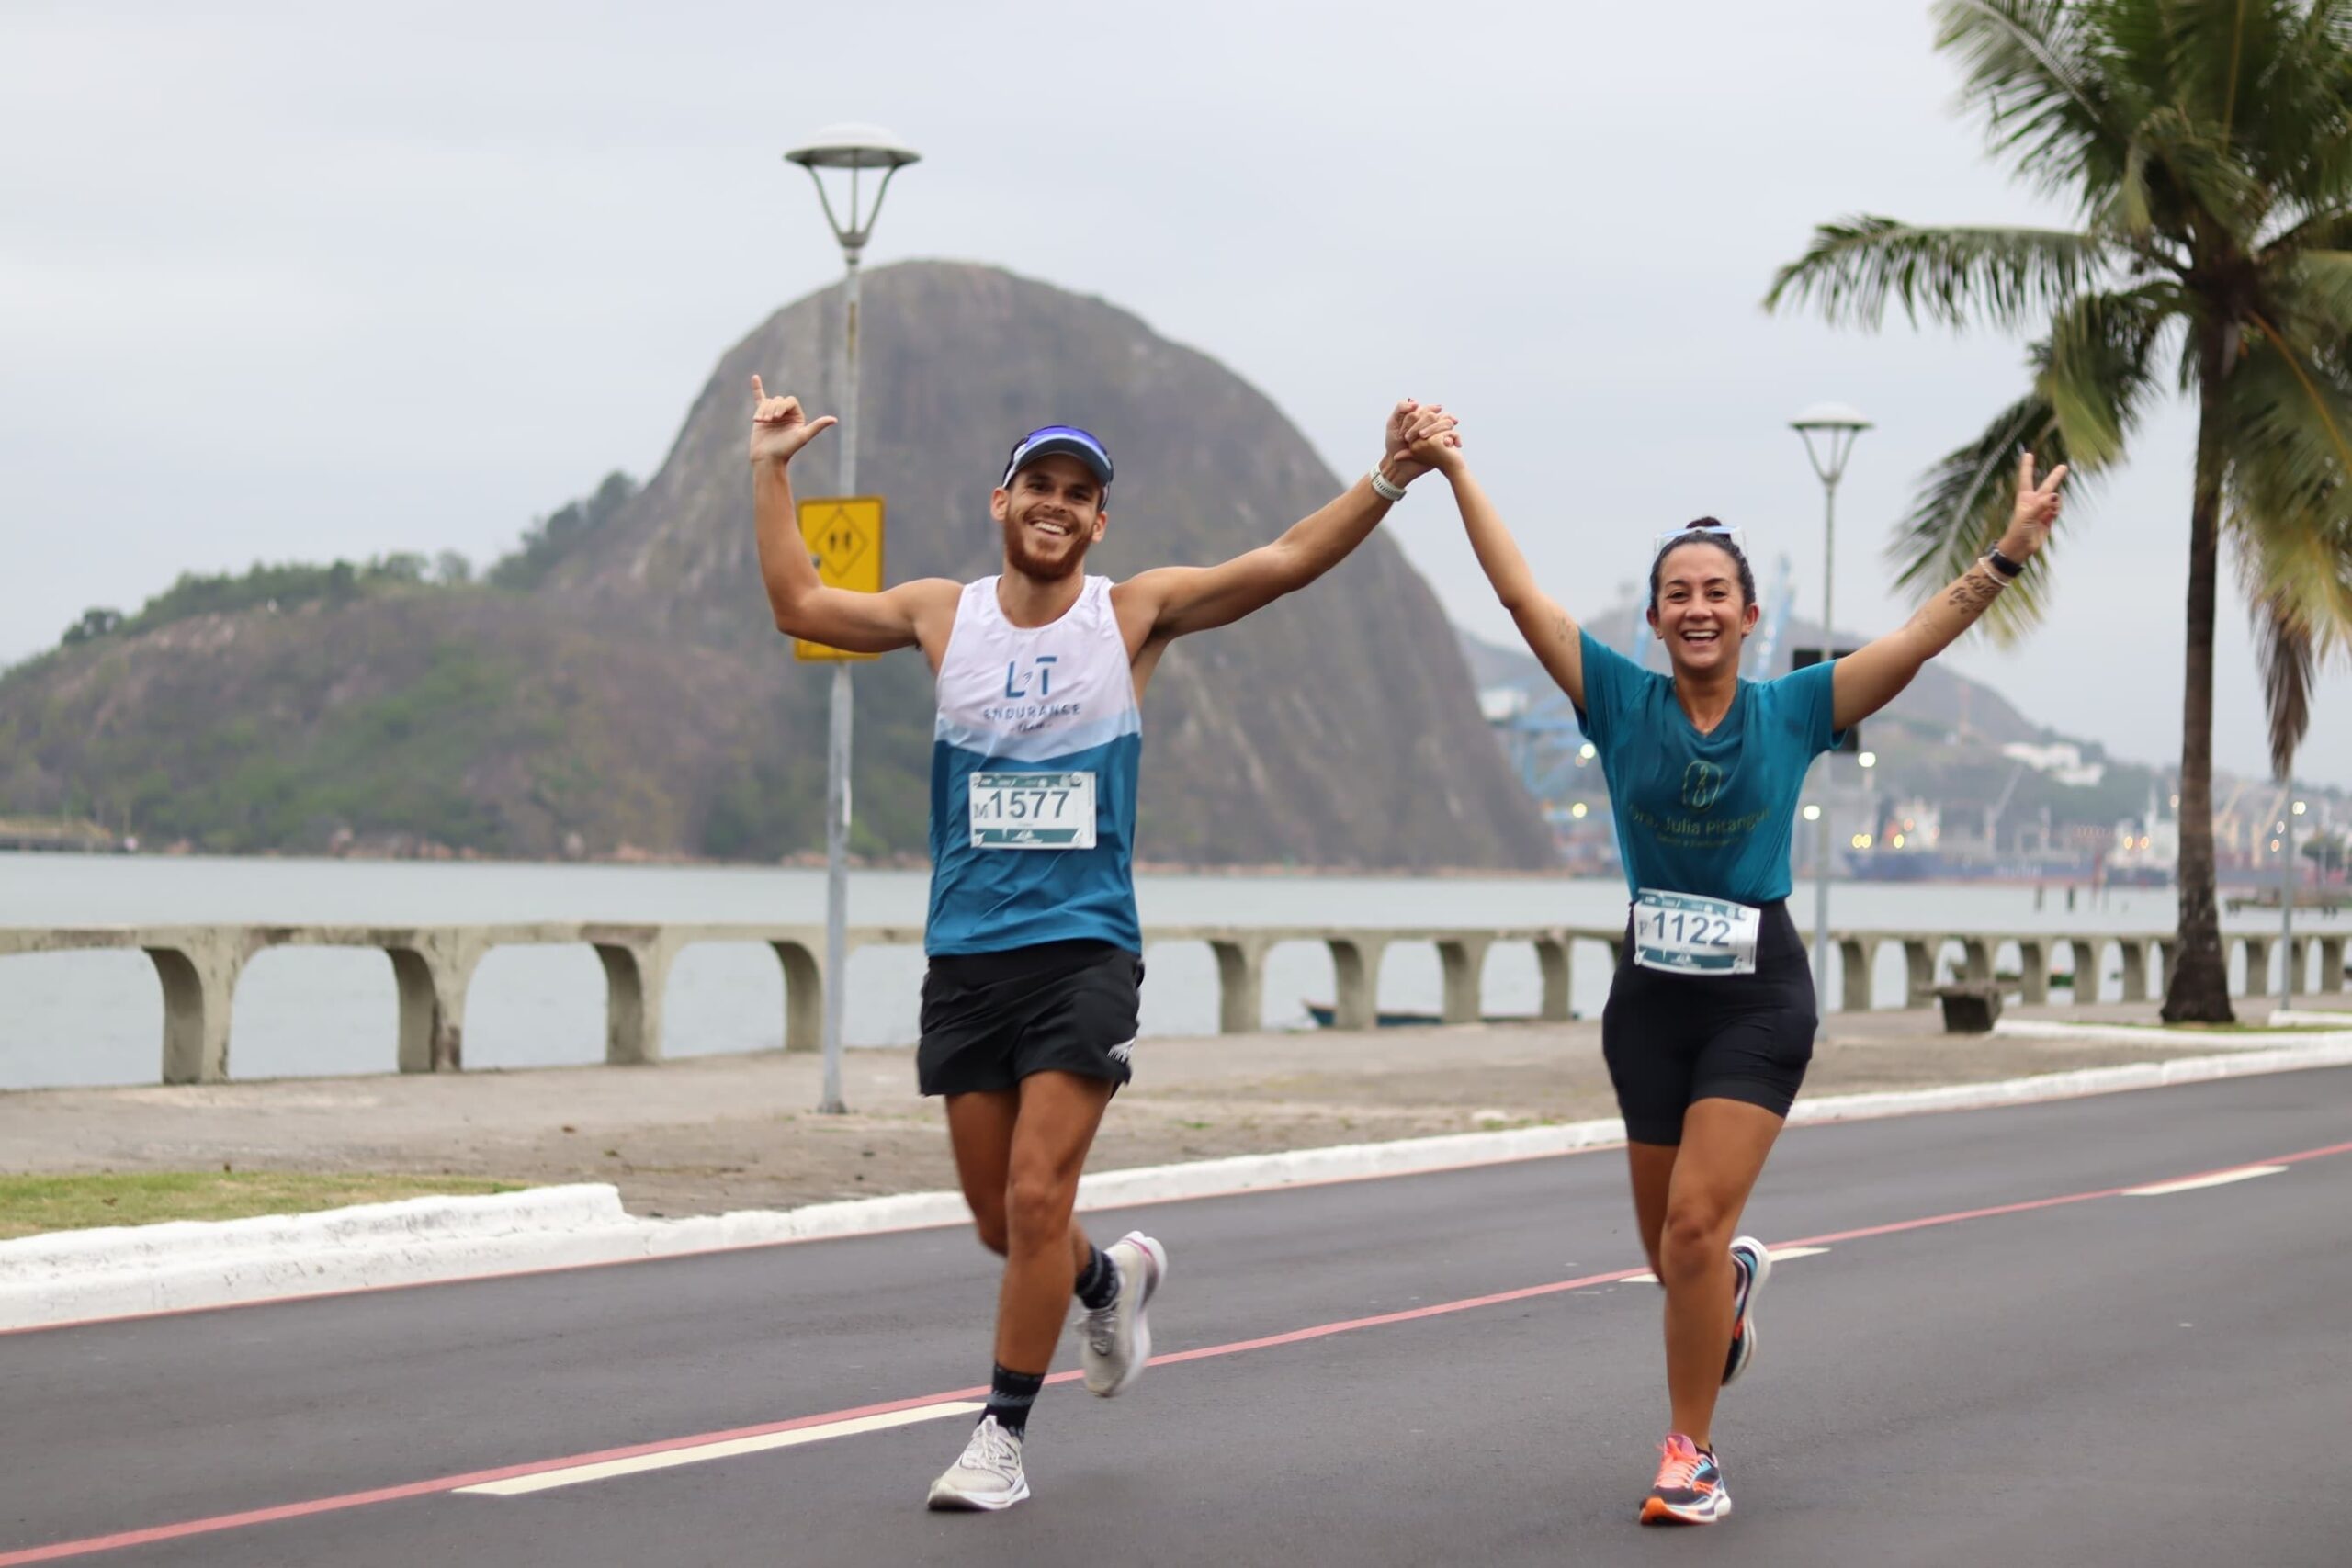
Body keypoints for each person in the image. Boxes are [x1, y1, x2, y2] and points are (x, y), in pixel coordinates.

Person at [750, 377, 1460, 1511]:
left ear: (1099, 522)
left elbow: (1279, 563)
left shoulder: (1129, 615)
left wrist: (1388, 478)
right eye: (1040, 485)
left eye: (1079, 495)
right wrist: (772, 467)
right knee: (1005, 1223)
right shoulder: (944, 614)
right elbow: (799, 603)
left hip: (1084, 952)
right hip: (968, 957)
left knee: (1036, 1195)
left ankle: (1000, 1436)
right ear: (1001, 500)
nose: (1057, 505)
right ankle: (1110, 1276)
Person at [1418, 427, 2065, 1526]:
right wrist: (1455, 471)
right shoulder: (1618, 701)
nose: (1698, 607)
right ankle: (1726, 1297)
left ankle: (1691, 1457)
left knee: (1689, 1232)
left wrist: (2003, 554)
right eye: (1678, 593)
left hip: (1758, 996)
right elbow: (1518, 594)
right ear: (1656, 617)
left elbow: (1916, 638)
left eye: (1718, 591)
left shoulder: (1794, 708)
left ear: (1750, 616)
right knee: (1672, 1257)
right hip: (1648, 1003)